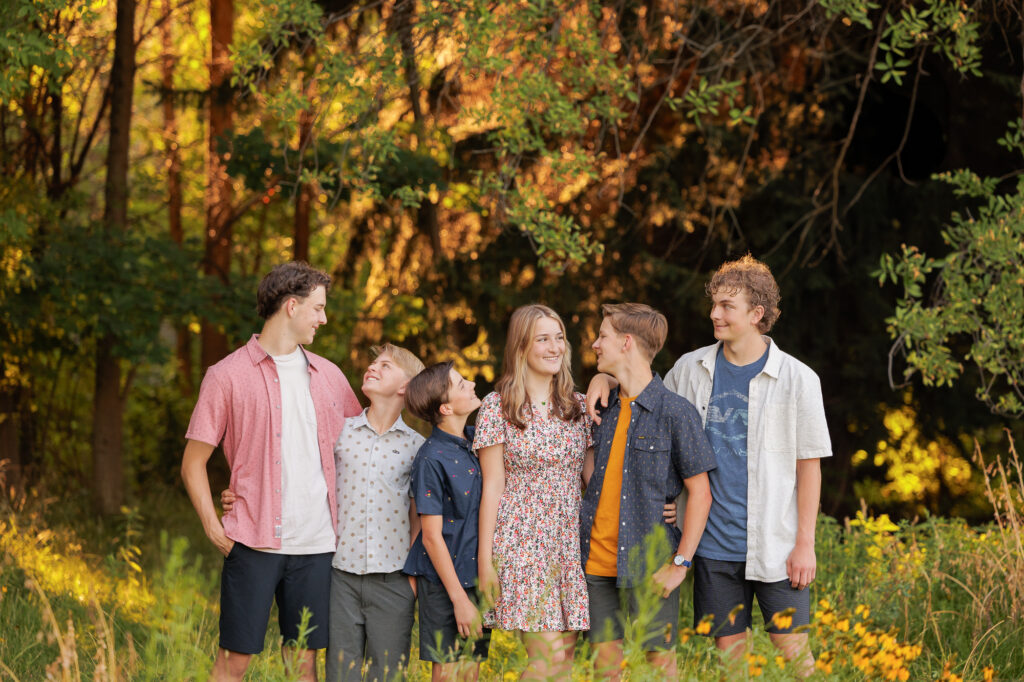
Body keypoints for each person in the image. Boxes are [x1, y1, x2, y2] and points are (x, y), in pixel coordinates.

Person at [589, 256, 831, 676]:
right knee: (729, 662)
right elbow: (646, 393)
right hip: (714, 547)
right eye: (714, 304)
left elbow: (809, 467)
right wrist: (604, 379)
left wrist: (804, 543)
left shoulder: (798, 379)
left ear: (757, 314)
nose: (714, 314)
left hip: (775, 544)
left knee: (795, 656)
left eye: (726, 306)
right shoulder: (691, 368)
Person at [181, 261, 361, 682]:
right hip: (253, 544)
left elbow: (358, 450)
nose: (324, 318)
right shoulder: (225, 376)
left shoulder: (330, 376)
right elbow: (193, 464)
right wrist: (213, 527)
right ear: (292, 306)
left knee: (302, 663)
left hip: (317, 546)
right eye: (318, 308)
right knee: (234, 662)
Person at [224, 343, 426, 681]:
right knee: (339, 673)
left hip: (393, 580)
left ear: (405, 386)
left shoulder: (416, 448)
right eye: (373, 361)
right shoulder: (336, 433)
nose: (373, 367)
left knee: (388, 674)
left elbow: (419, 515)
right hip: (339, 576)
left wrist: (413, 579)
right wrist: (240, 495)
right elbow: (293, 478)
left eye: (386, 365)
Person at [581, 303, 715, 681]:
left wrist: (680, 564)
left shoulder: (676, 412)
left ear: (626, 342)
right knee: (606, 672)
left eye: (602, 336)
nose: (594, 344)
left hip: (650, 565)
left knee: (660, 671)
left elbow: (701, 494)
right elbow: (594, 476)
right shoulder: (600, 409)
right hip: (596, 564)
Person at [474, 304, 592, 679]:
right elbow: (492, 486)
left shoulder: (580, 406)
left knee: (564, 665)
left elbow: (593, 478)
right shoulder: (499, 407)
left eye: (559, 338)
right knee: (547, 662)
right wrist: (485, 559)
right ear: (521, 346)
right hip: (523, 543)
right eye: (543, 338)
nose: (554, 346)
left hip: (571, 543)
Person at [402, 362, 491, 681]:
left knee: (471, 672)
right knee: (448, 672)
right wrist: (459, 600)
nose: (471, 383)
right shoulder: (430, 458)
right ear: (446, 407)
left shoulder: (478, 442)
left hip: (477, 576)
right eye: (460, 382)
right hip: (445, 582)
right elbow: (431, 537)